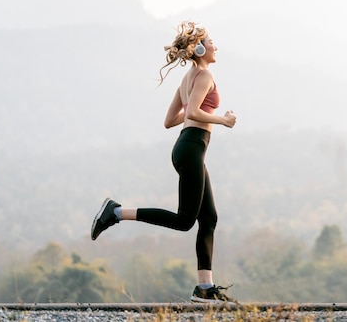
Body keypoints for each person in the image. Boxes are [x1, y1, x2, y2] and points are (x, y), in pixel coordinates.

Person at [90, 21, 237, 303]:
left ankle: (205, 289)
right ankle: (116, 212)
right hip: (192, 147)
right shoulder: (205, 76)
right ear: (200, 48)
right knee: (185, 220)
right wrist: (222, 119)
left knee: (209, 218)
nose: (217, 46)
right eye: (212, 42)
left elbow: (170, 120)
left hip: (188, 147)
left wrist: (198, 112)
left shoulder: (187, 79)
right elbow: (193, 110)